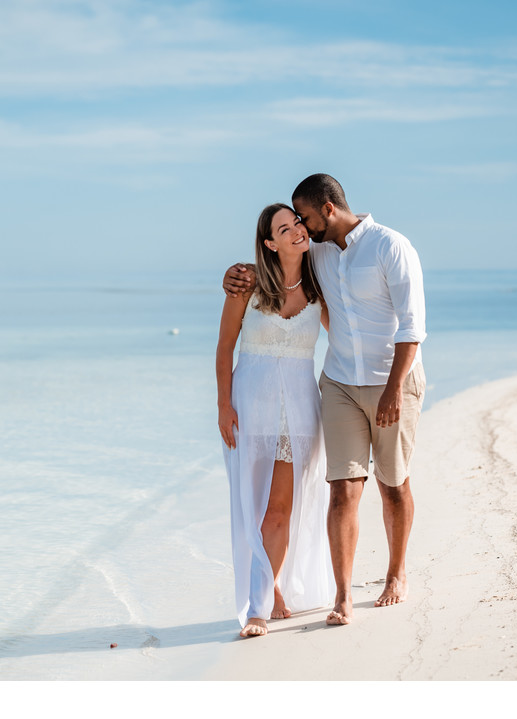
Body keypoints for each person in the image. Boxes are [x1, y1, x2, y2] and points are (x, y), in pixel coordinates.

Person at [223, 174, 426, 626]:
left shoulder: (389, 247)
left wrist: (394, 388)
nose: (302, 228)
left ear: (327, 211)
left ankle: (396, 574)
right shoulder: (317, 251)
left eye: (305, 219)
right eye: (294, 224)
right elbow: (267, 263)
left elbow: (413, 327)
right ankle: (341, 596)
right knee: (341, 487)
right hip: (335, 385)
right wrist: (233, 274)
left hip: (388, 381)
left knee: (393, 483)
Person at [216, 203, 333, 638]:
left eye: (298, 223)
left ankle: (262, 603)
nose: (297, 231)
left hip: (301, 411)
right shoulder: (246, 285)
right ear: (270, 242)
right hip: (251, 409)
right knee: (253, 507)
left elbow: (345, 332)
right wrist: (223, 405)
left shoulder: (320, 287)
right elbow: (225, 347)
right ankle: (264, 596)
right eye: (285, 228)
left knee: (280, 509)